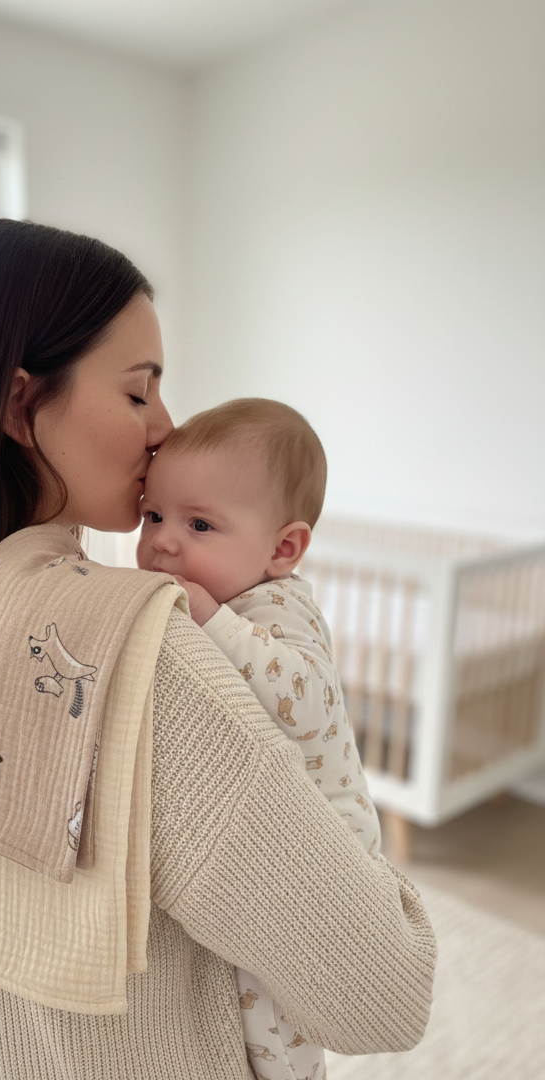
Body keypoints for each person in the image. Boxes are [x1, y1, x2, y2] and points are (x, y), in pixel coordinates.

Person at [0, 219, 436, 1080]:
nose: (165, 427)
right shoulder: (140, 649)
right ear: (20, 405)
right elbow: (388, 992)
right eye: (139, 393)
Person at [137, 398, 381, 1079]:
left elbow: (304, 702)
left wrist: (216, 620)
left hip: (324, 840)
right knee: (238, 985)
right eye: (153, 515)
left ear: (283, 549)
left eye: (200, 524)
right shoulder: (221, 601)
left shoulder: (276, 607)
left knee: (275, 1008)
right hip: (266, 827)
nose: (163, 541)